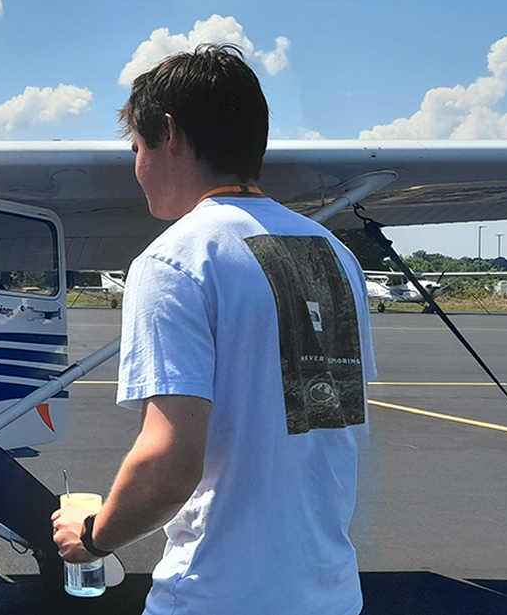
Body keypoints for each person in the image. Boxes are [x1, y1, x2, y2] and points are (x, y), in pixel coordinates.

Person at [50, 44, 375, 615]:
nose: (136, 165)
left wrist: (93, 533)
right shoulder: (333, 255)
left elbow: (169, 463)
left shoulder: (175, 260)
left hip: (217, 596)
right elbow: (325, 426)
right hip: (330, 595)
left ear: (169, 135)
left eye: (137, 145)